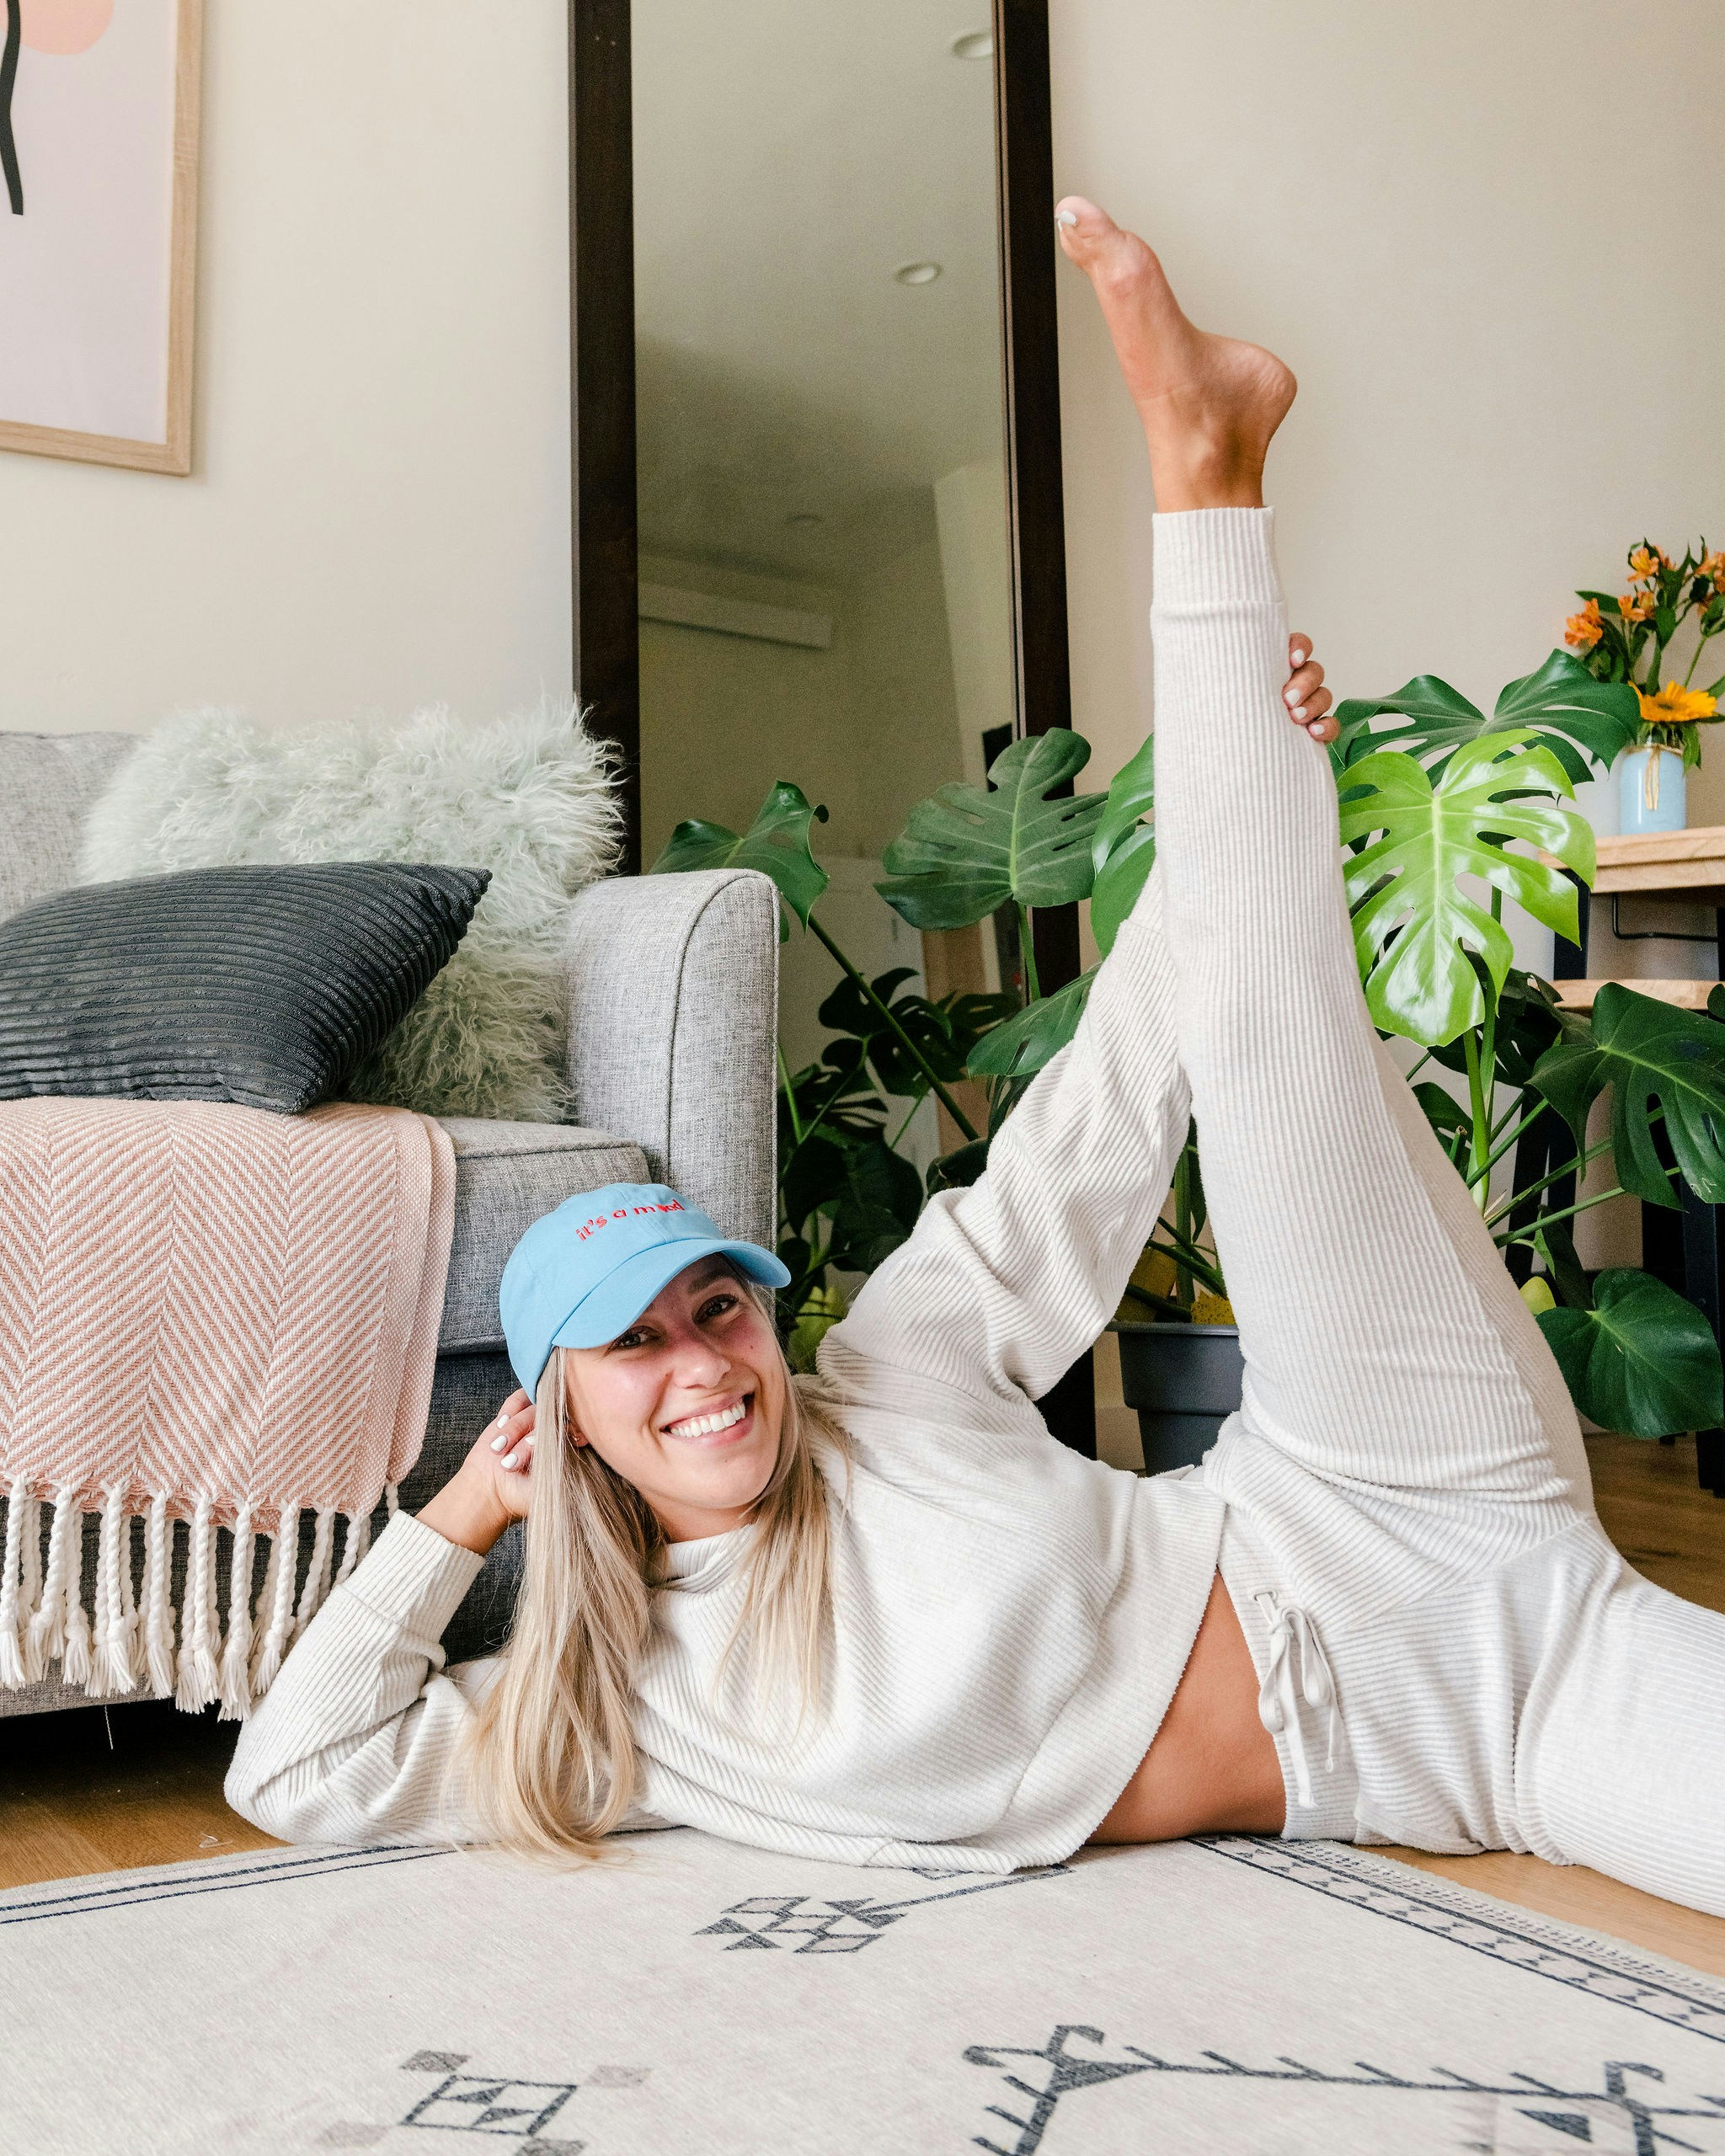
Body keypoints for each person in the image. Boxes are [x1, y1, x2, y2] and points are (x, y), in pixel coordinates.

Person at [227, 200, 1725, 1917]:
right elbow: (300, 1771)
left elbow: (1106, 1110)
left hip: (1368, 1465)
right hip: (1484, 1733)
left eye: (712, 1305)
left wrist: (1256, 784)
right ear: (556, 1423)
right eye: (629, 1347)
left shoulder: (884, 1380)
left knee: (1244, 1037)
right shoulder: (625, 1714)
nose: (700, 1359)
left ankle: (1204, 469)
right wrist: (455, 1526)